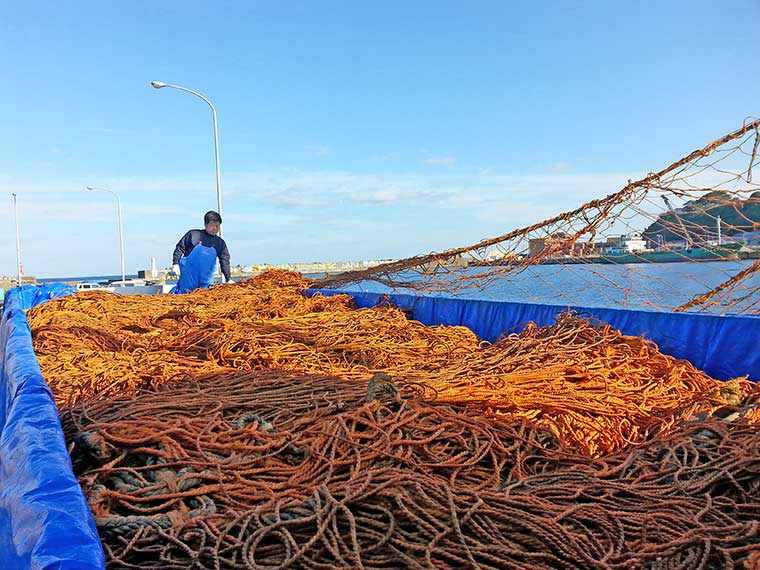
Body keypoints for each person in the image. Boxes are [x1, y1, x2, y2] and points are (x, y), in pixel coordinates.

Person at [170, 211, 231, 293]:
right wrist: (175, 263)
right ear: (205, 224)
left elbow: (225, 261)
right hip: (189, 278)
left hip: (206, 281)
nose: (215, 229)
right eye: (212, 226)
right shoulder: (194, 235)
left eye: (217, 226)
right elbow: (180, 248)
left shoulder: (220, 243)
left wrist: (228, 278)